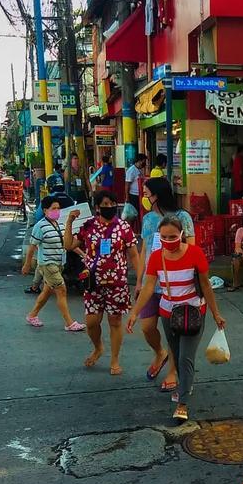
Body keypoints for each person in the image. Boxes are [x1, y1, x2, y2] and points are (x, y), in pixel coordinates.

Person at [127, 215, 226, 422]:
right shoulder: (155, 257)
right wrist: (135, 312)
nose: (168, 240)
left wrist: (216, 313)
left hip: (194, 313)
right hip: (168, 314)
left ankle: (182, 403)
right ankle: (185, 387)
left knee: (184, 358)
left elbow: (206, 285)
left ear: (181, 234)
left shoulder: (195, 253)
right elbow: (148, 287)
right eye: (164, 236)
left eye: (173, 236)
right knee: (177, 353)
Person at [64, 190, 141, 376]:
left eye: (111, 204)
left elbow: (134, 255)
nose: (109, 208)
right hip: (93, 282)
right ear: (97, 207)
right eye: (104, 205)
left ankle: (115, 359)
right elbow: (69, 245)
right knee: (91, 322)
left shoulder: (123, 227)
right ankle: (98, 347)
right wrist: (69, 222)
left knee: (115, 322)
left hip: (117, 283)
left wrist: (140, 280)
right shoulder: (88, 226)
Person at [136, 177, 195, 393]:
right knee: (147, 327)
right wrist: (140, 279)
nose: (144, 196)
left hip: (177, 285)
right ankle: (160, 352)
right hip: (152, 283)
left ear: (157, 195)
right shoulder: (149, 219)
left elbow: (192, 249)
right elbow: (145, 251)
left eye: (146, 193)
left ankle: (172, 371)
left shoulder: (182, 217)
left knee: (173, 332)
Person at [22, 196, 85, 332]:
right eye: (53, 208)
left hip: (58, 263)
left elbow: (69, 244)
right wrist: (27, 265)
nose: (57, 211)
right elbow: (32, 246)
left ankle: (32, 315)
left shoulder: (60, 224)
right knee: (61, 290)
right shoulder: (40, 226)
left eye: (58, 208)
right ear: (45, 210)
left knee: (46, 291)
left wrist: (84, 255)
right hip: (47, 264)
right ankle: (69, 322)